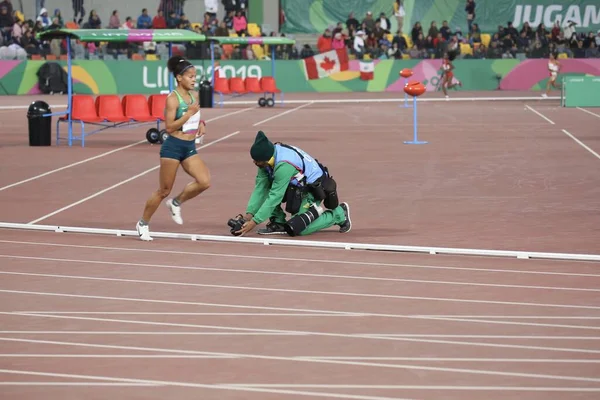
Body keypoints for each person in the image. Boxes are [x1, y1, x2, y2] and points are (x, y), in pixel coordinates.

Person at [136, 55, 210, 241]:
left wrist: (201, 122)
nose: (194, 79)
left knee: (204, 181)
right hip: (173, 147)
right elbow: (169, 127)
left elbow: (196, 115)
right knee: (164, 190)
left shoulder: (195, 95)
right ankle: (143, 223)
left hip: (189, 146)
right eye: (190, 76)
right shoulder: (172, 99)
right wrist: (189, 114)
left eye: (195, 76)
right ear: (179, 77)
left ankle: (176, 203)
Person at [233, 131, 351, 237]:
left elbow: (275, 196)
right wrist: (248, 216)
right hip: (295, 186)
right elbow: (260, 188)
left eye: (256, 160)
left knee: (299, 228)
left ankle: (339, 214)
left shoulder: (284, 165)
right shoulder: (266, 159)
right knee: (268, 186)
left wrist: (254, 222)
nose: (254, 162)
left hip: (311, 190)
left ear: (266, 158)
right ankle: (278, 222)